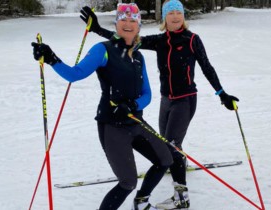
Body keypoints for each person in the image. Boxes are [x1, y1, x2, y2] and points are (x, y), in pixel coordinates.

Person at [80, 0, 239, 209]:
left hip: (186, 99)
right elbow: (126, 39)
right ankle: (177, 161)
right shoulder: (160, 41)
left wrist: (222, 94)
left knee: (172, 145)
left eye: (178, 13)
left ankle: (181, 197)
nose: (175, 16)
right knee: (167, 145)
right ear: (164, 18)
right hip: (166, 100)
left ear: (183, 16)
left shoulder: (192, 40)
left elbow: (207, 67)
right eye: (170, 13)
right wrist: (98, 30)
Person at [32, 3, 173, 210]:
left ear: (139, 26)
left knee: (165, 159)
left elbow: (147, 94)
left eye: (133, 20)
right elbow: (74, 74)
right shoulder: (103, 50)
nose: (128, 24)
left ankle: (142, 201)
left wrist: (133, 104)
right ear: (116, 24)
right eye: (123, 19)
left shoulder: (138, 56)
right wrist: (52, 59)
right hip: (112, 125)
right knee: (128, 182)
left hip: (135, 121)